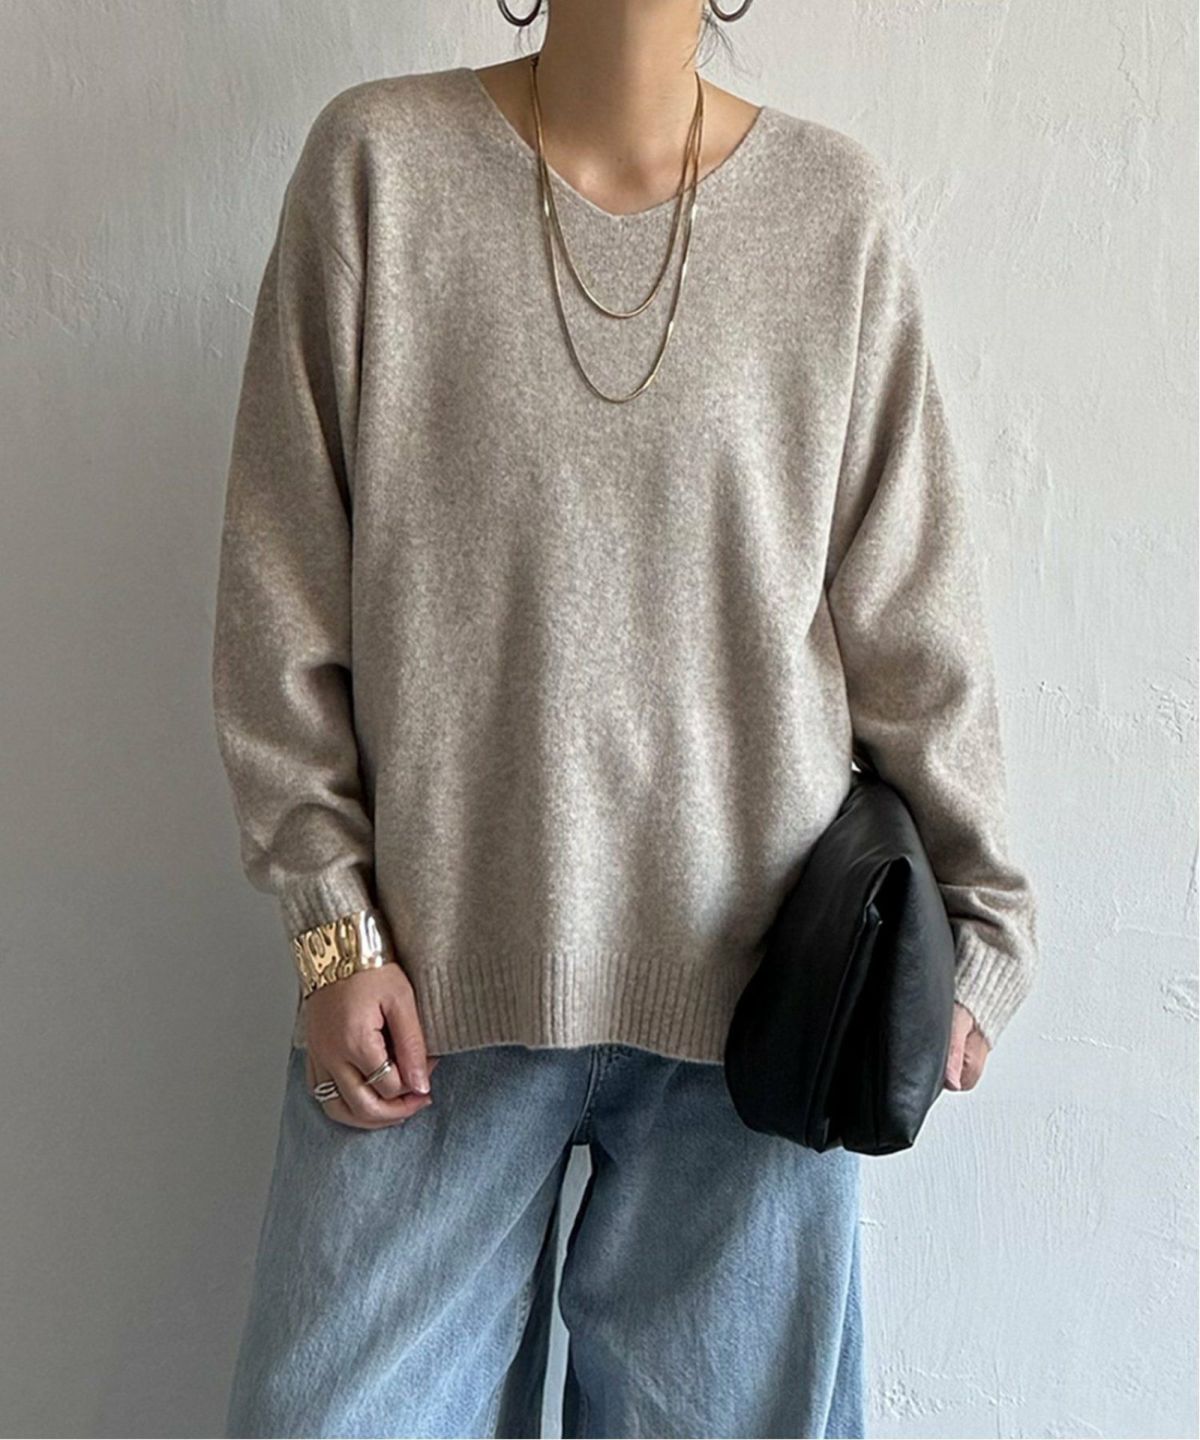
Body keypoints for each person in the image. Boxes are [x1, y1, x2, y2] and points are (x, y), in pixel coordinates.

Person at [211, 2, 1040, 1435]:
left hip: (766, 1023)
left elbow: (915, 622)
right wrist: (331, 928)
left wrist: (982, 936)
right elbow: (280, 600)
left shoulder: (831, 215)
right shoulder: (378, 170)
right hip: (426, 1002)